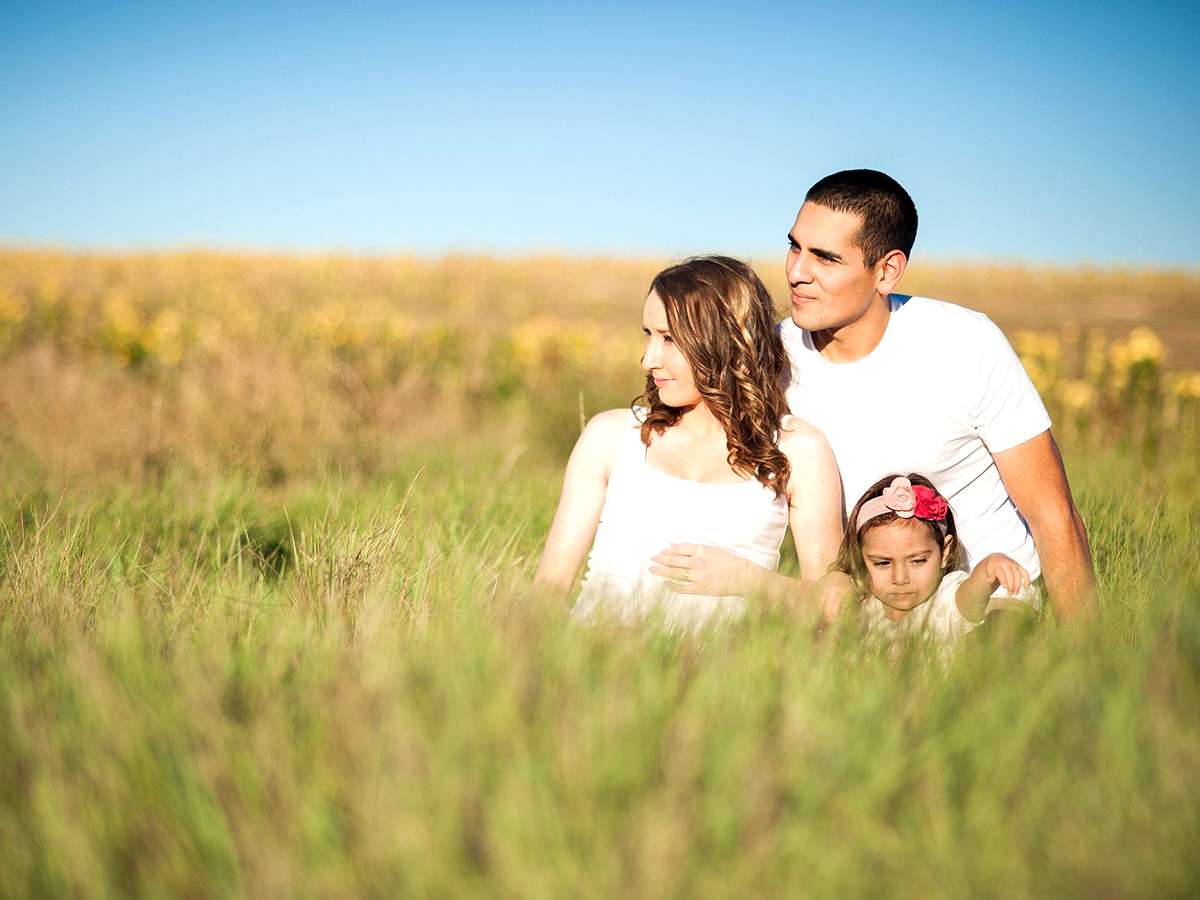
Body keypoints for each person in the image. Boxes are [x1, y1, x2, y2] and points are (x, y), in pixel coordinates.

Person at [779, 169, 1096, 623]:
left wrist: (1089, 667)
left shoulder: (967, 343)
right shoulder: (772, 357)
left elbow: (1054, 517)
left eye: (825, 258)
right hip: (867, 610)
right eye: (795, 246)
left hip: (992, 604)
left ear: (886, 270)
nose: (796, 271)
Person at [533, 256, 843, 631]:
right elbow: (547, 590)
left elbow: (836, 605)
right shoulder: (612, 437)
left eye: (669, 339)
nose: (649, 359)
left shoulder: (797, 449)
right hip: (599, 666)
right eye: (648, 334)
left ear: (725, 340)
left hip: (724, 680)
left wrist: (747, 580)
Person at [819, 473, 1033, 644]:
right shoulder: (865, 605)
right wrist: (837, 582)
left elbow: (972, 595)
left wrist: (990, 566)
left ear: (945, 552)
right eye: (883, 563)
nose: (900, 578)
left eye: (918, 561)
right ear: (861, 557)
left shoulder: (945, 601)